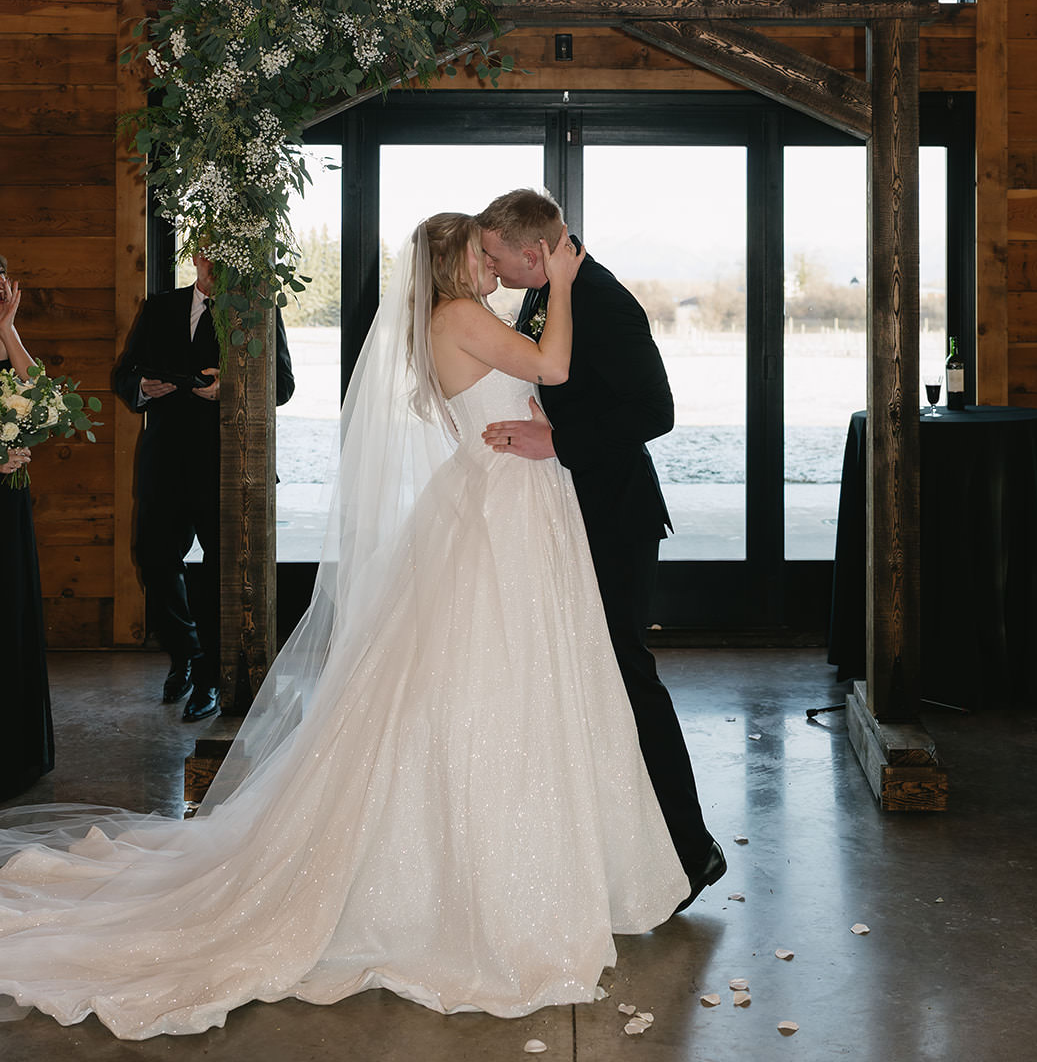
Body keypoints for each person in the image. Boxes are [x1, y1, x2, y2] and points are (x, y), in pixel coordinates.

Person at [0, 214, 688, 1037]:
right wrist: (567, 286)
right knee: (491, 674)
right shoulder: (458, 317)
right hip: (502, 505)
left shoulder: (461, 319)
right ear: (456, 259)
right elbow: (554, 366)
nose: (493, 261)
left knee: (512, 674)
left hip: (509, 501)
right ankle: (473, 870)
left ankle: (543, 855)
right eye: (481, 249)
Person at [477, 189, 725, 910]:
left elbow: (655, 411)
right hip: (567, 510)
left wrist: (558, 441)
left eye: (494, 254)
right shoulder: (553, 288)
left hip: (613, 517)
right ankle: (610, 840)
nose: (486, 264)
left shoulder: (603, 301)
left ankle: (689, 849)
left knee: (625, 675)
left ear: (531, 254)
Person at [113, 252, 295, 722]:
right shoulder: (160, 307)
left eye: (228, 257)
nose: (217, 265)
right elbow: (124, 373)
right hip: (164, 462)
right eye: (211, 255)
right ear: (196, 256)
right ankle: (188, 654)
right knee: (153, 560)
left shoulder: (256, 311)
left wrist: (230, 387)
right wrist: (142, 387)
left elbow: (282, 385)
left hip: (227, 464)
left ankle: (211, 678)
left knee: (221, 574)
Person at [0, 259, 55, 801]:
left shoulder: (4, 337)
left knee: (9, 612)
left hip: (7, 503)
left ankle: (13, 753)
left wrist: (9, 328)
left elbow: (39, 398)